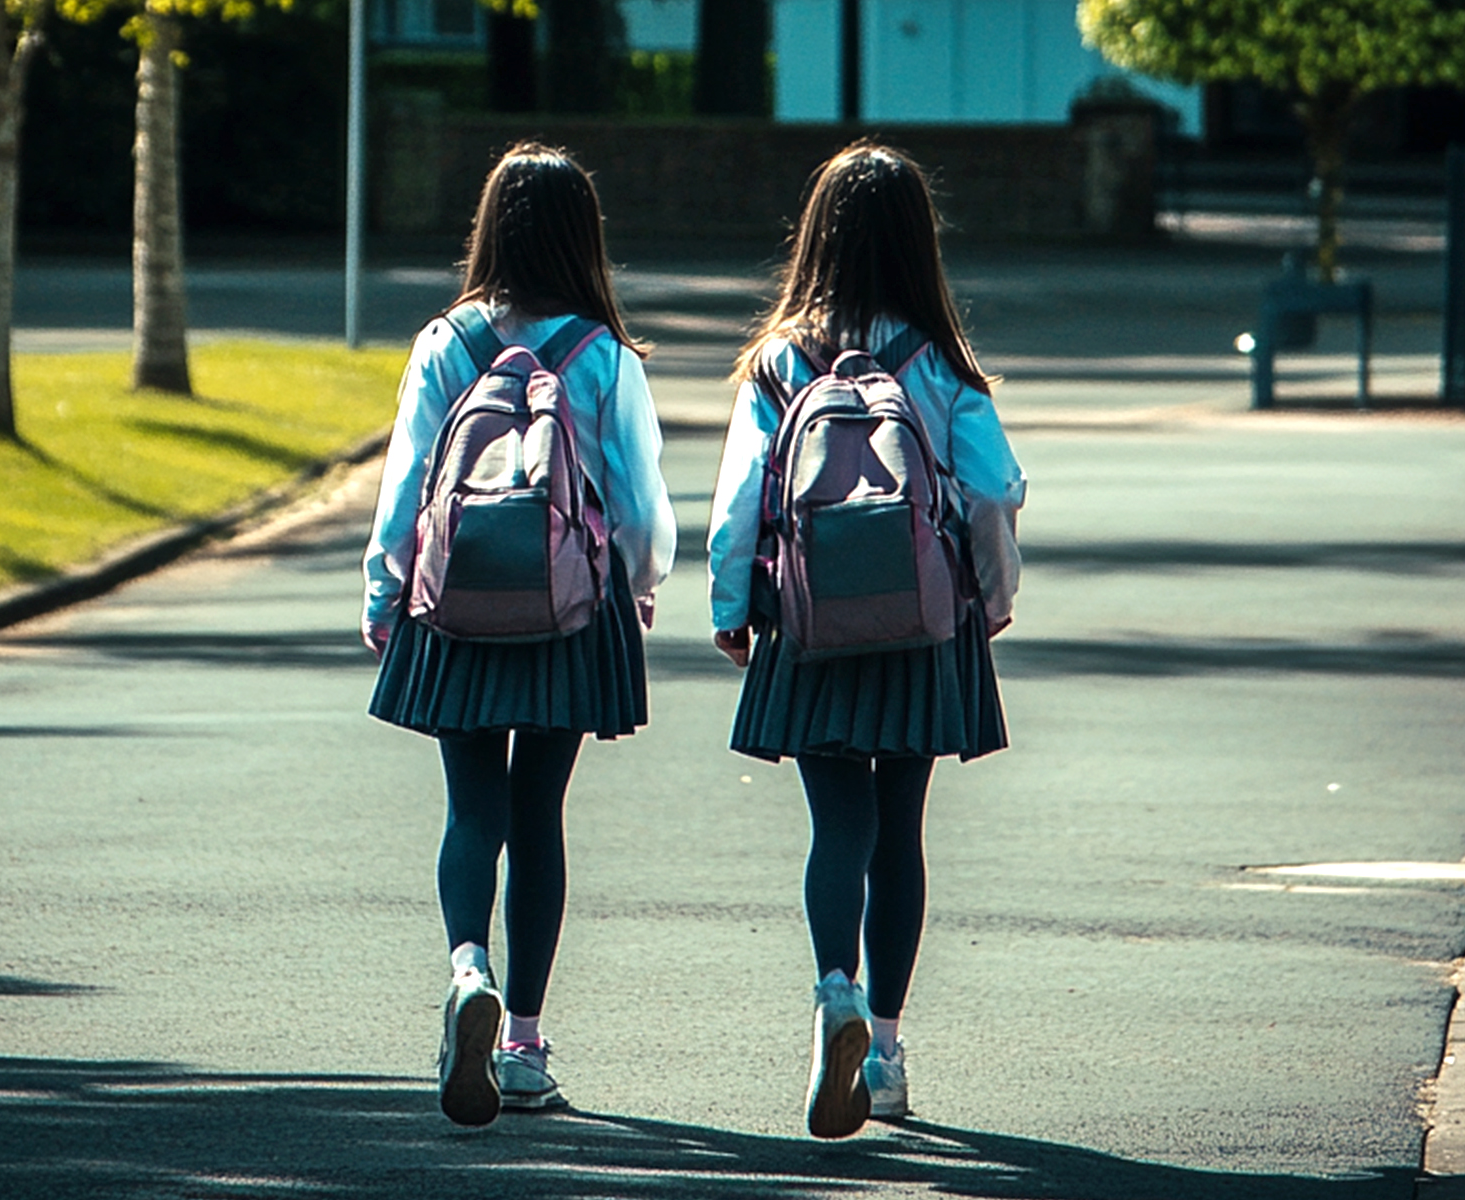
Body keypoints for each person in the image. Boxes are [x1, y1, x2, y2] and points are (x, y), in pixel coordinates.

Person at [707, 142, 1024, 1139]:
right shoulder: (941, 363)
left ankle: (832, 990)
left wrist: (730, 607)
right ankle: (883, 1048)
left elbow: (738, 504)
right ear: (917, 245)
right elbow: (991, 493)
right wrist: (994, 598)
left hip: (810, 623)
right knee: (903, 834)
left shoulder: (777, 362)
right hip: (925, 626)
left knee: (835, 825)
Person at [362, 143, 676, 1127]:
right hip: (569, 611)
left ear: (489, 227)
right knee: (539, 820)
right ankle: (526, 1043)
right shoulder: (602, 355)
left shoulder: (443, 343)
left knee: (471, 810)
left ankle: (467, 970)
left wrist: (384, 590)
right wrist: (639, 584)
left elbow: (410, 481)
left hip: (456, 605)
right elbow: (640, 504)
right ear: (585, 238)